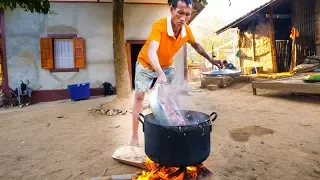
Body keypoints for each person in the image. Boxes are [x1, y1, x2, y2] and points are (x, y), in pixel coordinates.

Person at [129, 0, 223, 146]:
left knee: (172, 94)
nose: (183, 18)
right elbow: (152, 50)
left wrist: (211, 60)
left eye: (187, 14)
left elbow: (196, 45)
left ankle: (174, 126)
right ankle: (134, 137)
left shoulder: (186, 30)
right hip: (146, 64)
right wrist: (160, 74)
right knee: (139, 97)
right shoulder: (160, 26)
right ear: (171, 10)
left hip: (167, 66)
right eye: (180, 13)